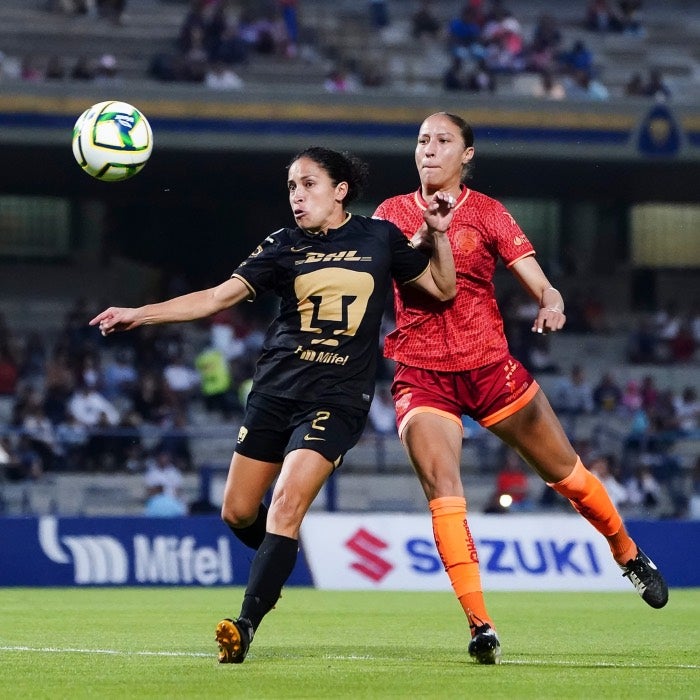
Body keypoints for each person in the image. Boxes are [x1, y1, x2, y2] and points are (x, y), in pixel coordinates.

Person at [89, 146, 457, 663]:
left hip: (337, 398)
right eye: (291, 187)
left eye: (308, 184)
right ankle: (278, 560)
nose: (297, 196)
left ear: (340, 190)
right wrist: (141, 313)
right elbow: (217, 297)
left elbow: (442, 289)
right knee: (238, 512)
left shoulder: (380, 237)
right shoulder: (283, 245)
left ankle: (245, 624)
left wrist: (438, 232)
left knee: (285, 503)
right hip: (274, 393)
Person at [372, 111, 669, 665]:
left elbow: (538, 279)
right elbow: (399, 267)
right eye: (421, 141)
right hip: (422, 373)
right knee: (444, 487)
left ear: (467, 156)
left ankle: (627, 553)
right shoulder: (391, 213)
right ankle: (480, 624)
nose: (429, 150)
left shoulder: (487, 213)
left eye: (443, 142)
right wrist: (426, 230)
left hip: (490, 368)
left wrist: (551, 302)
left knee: (572, 478)